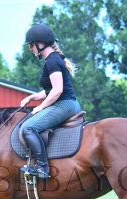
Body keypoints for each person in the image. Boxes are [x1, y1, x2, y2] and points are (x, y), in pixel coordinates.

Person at [20, 24, 81, 179]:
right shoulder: (53, 59)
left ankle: (42, 168)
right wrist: (32, 97)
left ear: (41, 44)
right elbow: (50, 90)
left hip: (64, 104)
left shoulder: (52, 61)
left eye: (32, 45)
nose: (31, 49)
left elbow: (58, 90)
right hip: (67, 102)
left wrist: (40, 107)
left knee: (28, 128)